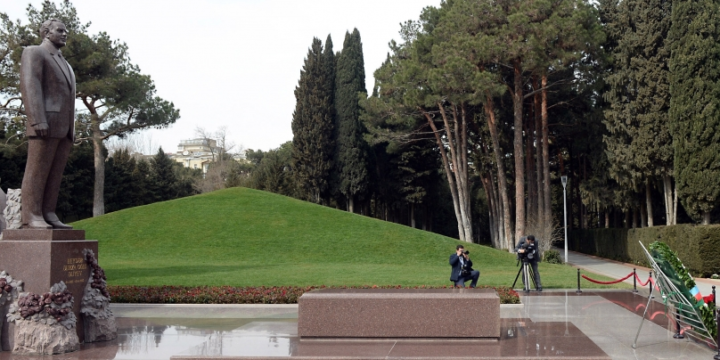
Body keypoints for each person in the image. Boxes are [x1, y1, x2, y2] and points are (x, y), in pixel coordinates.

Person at [19, 19, 76, 229]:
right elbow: (30, 84)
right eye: (60, 30)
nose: (65, 33)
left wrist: (72, 128)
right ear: (46, 32)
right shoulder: (35, 52)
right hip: (45, 123)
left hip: (64, 127)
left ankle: (49, 213)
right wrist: (37, 119)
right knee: (37, 171)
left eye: (66, 30)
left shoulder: (66, 63)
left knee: (55, 173)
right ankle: (31, 216)